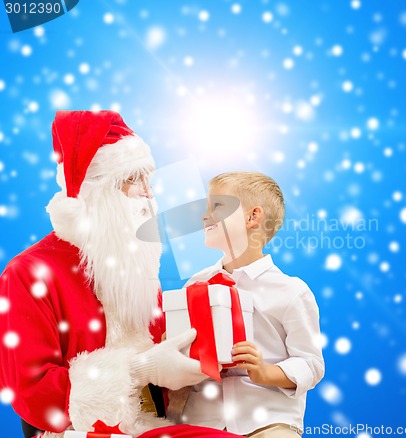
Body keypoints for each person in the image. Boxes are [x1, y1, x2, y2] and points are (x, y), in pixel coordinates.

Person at [0, 111, 241, 438]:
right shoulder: (28, 273)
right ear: (95, 190)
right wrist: (140, 370)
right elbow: (32, 395)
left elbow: (166, 350)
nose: (149, 195)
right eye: (133, 179)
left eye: (149, 179)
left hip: (159, 422)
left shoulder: (134, 266)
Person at [177, 171, 325, 437]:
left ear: (252, 217)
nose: (204, 215)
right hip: (203, 421)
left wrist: (266, 372)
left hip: (268, 422)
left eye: (218, 206)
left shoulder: (291, 291)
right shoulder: (194, 286)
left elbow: (311, 363)